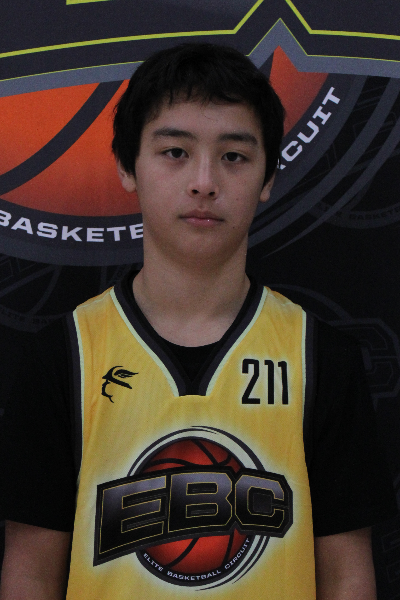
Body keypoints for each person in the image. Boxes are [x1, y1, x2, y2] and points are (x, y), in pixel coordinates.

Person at [0, 43, 396, 600]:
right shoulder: (64, 354)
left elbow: (347, 574)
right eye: (175, 152)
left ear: (268, 177)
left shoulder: (320, 357)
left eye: (233, 156)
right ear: (127, 166)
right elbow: (31, 572)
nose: (204, 181)